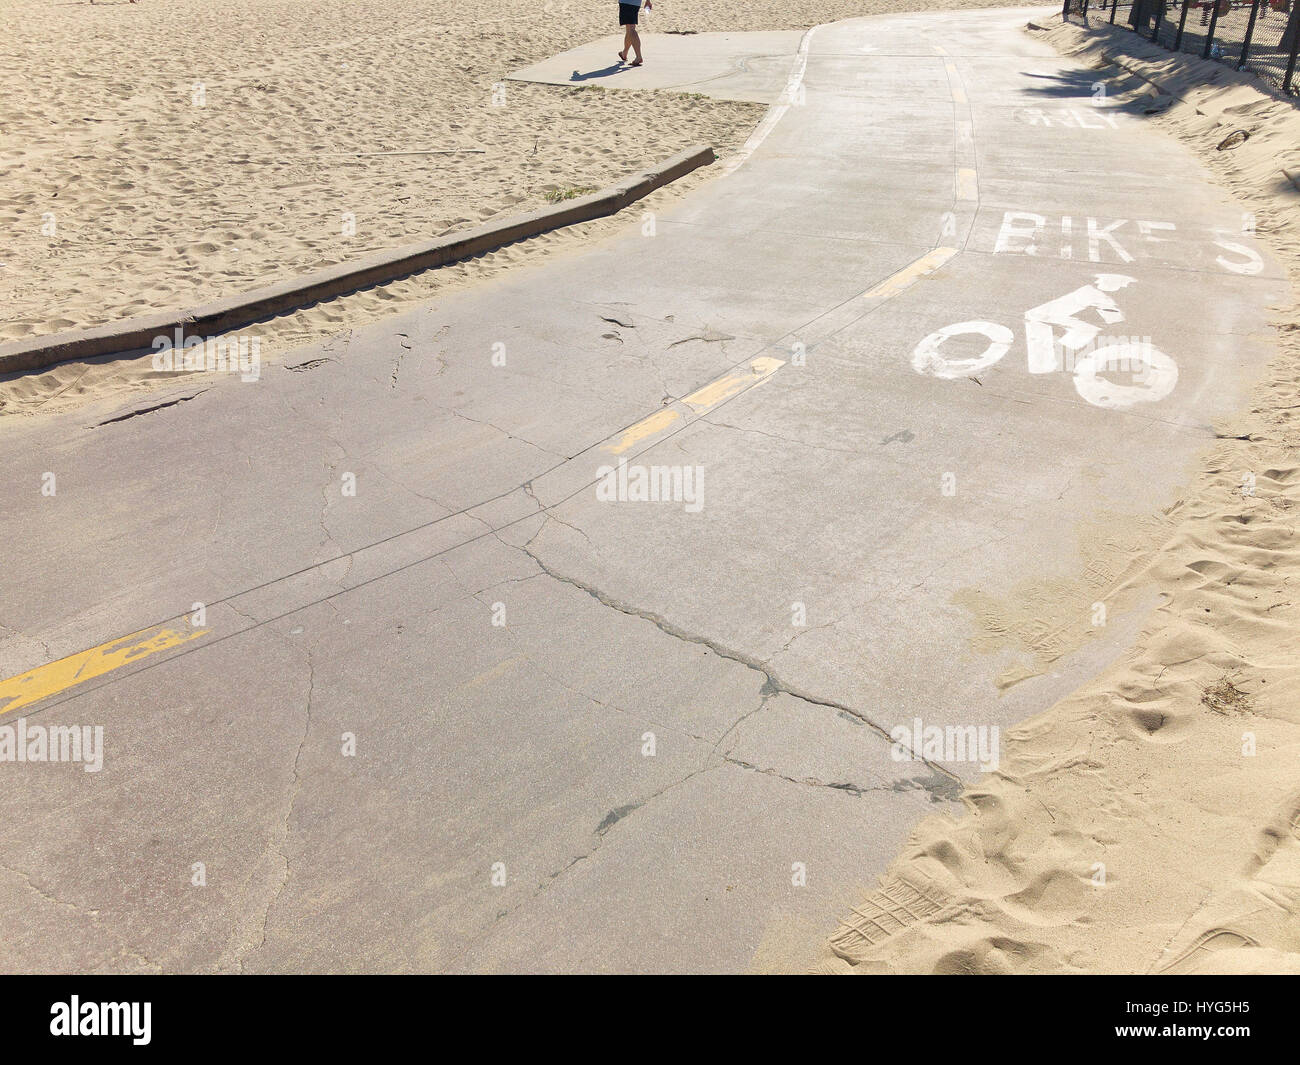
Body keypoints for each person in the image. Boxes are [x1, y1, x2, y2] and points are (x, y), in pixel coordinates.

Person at [618, 0, 652, 67]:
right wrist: (648, 1)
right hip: (636, 3)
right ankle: (624, 53)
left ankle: (638, 57)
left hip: (626, 3)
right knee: (629, 29)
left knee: (631, 29)